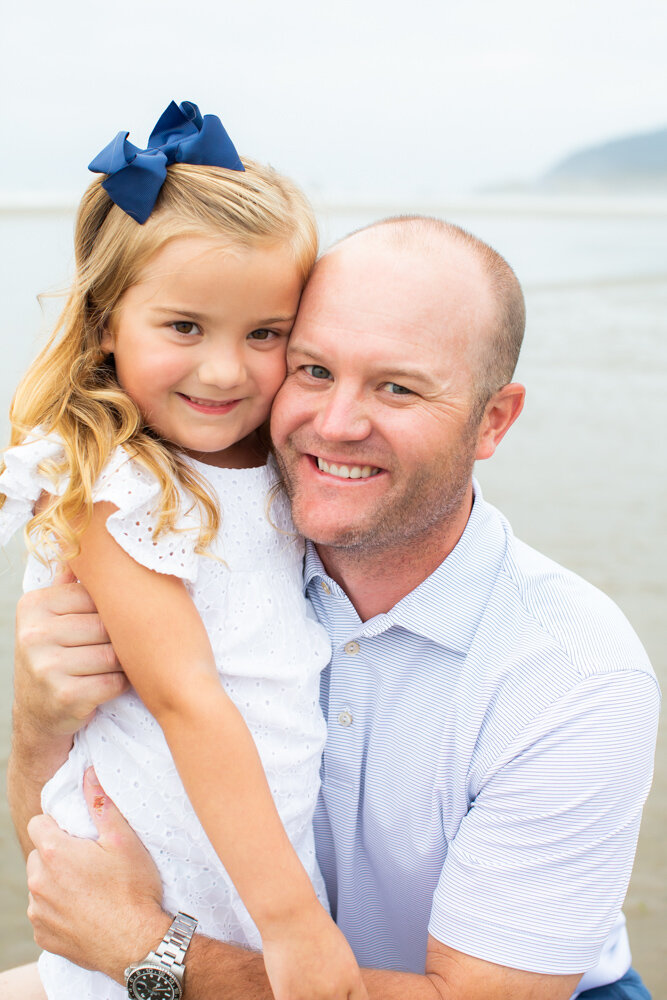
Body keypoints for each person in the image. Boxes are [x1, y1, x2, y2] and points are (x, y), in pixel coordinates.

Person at [5, 217, 659, 1000]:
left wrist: (151, 953)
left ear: (493, 420)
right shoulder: (206, 552)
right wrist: (39, 726)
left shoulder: (573, 675)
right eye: (312, 369)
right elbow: (71, 893)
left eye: (396, 387)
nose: (337, 424)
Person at [0, 100, 366, 1000]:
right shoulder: (115, 485)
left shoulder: (275, 469)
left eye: (266, 335)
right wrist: (292, 925)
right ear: (103, 325)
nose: (225, 372)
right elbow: (186, 697)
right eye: (183, 328)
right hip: (166, 878)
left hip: (250, 863)